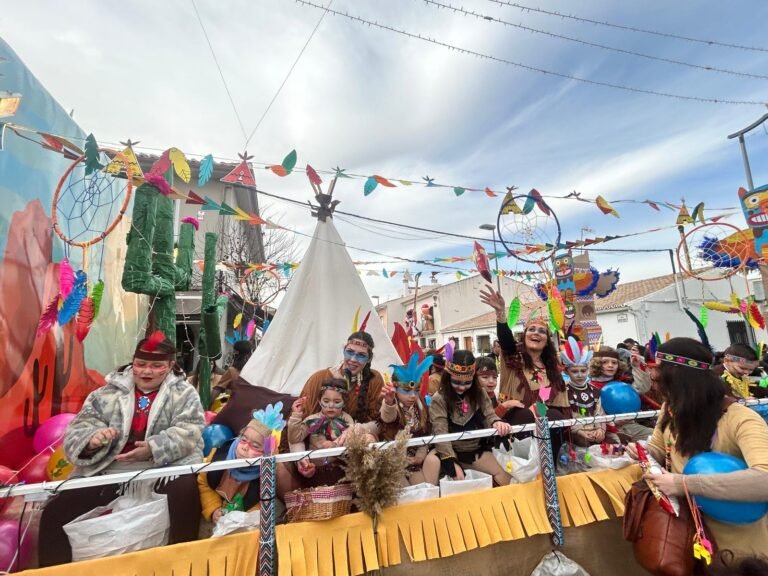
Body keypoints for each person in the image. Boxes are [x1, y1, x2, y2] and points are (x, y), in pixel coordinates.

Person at [39, 332, 205, 566]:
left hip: (164, 467)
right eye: (141, 364)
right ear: (133, 363)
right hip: (109, 468)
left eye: (156, 365)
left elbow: (191, 428)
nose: (146, 372)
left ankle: (182, 565)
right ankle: (53, 571)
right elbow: (80, 427)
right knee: (56, 513)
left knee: (186, 496)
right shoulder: (106, 393)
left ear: (170, 366)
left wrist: (153, 448)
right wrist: (93, 438)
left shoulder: (184, 394)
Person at [626, 337, 768, 556]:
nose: (654, 376)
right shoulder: (671, 408)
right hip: (687, 541)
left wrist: (684, 484)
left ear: (681, 378)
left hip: (740, 553)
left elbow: (764, 479)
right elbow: (658, 446)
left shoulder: (741, 419)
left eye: (659, 370)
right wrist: (643, 453)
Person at [479, 288, 570, 458]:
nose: (536, 333)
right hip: (513, 416)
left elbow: (550, 399)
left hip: (541, 418)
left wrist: (538, 407)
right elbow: (506, 341)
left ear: (547, 341)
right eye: (531, 329)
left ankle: (550, 467)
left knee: (554, 416)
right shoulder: (513, 357)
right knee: (525, 415)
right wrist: (500, 313)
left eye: (542, 331)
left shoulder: (551, 368)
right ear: (525, 335)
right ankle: (526, 466)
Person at [422, 350, 512, 486]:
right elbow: (441, 432)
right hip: (448, 449)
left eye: (467, 383)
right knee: (433, 464)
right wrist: (450, 460)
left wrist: (497, 422)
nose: (462, 387)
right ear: (448, 378)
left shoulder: (479, 392)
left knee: (505, 476)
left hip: (474, 449)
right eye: (456, 382)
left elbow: (489, 414)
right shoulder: (439, 398)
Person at [197, 408, 279, 525]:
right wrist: (213, 509)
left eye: (255, 446)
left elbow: (262, 505)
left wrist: (243, 521)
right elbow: (204, 484)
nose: (245, 447)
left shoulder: (266, 475)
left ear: (266, 454)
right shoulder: (217, 458)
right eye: (244, 440)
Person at [298, 331, 384, 434]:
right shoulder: (320, 378)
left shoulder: (374, 379)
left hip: (356, 440)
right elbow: (300, 420)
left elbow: (379, 422)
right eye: (350, 352)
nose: (353, 359)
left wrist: (355, 431)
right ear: (344, 351)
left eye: (361, 355)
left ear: (369, 359)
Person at [379, 353, 433, 485]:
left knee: (422, 491)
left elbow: (426, 434)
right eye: (406, 391)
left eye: (416, 391)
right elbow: (387, 418)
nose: (412, 396)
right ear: (395, 388)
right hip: (393, 462)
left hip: (415, 461)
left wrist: (420, 456)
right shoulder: (390, 405)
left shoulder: (421, 408)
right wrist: (389, 402)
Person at [560, 336, 607, 447]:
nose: (580, 375)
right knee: (584, 445)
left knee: (615, 443)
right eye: (575, 371)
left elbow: (599, 413)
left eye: (583, 370)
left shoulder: (595, 391)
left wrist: (600, 430)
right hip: (575, 433)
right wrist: (580, 432)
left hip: (595, 430)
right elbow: (567, 417)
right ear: (567, 372)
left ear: (588, 370)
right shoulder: (563, 391)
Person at [210, 340, 254, 410]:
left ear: (237, 352)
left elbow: (218, 389)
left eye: (233, 350)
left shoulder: (232, 371)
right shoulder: (254, 370)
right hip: (251, 408)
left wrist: (206, 406)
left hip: (235, 408)